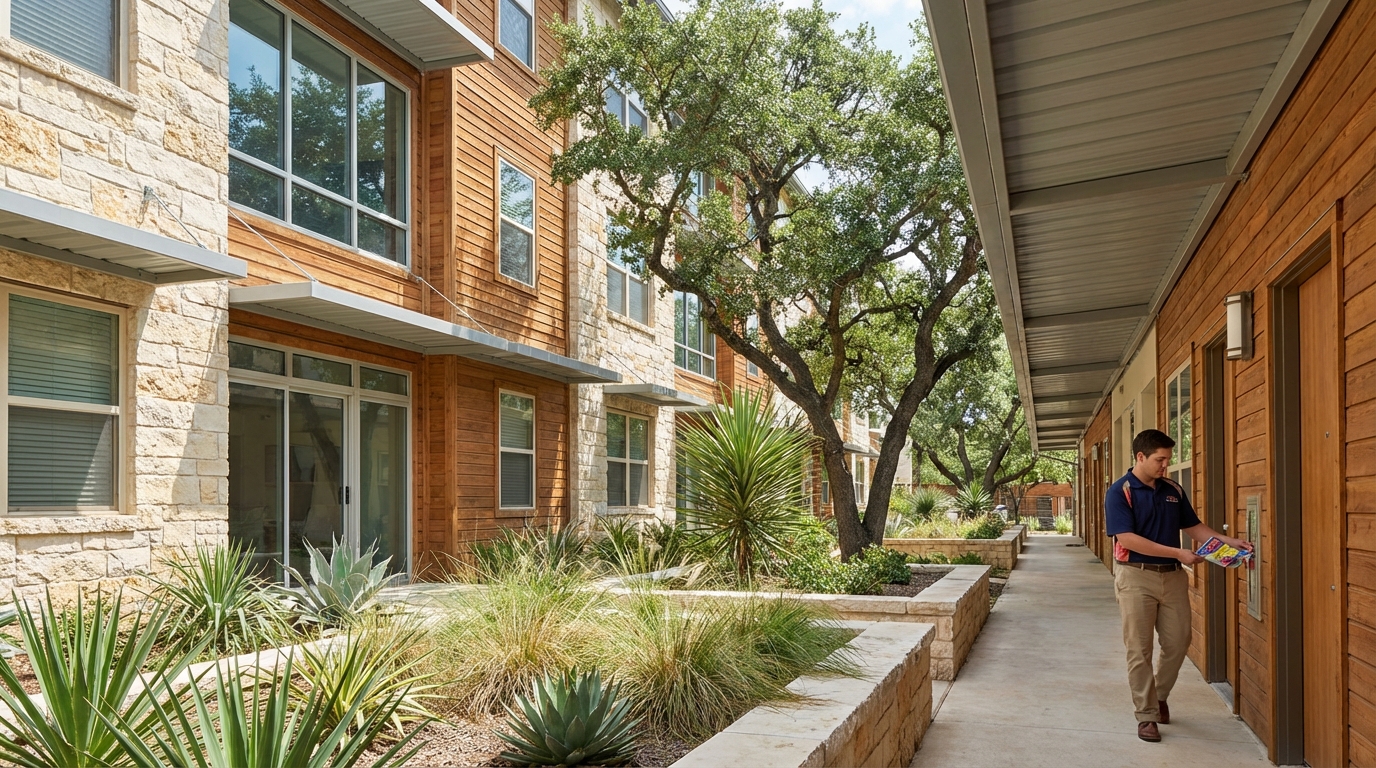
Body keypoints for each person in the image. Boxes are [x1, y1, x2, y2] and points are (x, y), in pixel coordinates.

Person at [1104, 428, 1252, 743]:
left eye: (1168, 460)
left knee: (1179, 641)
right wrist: (1178, 552)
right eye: (1160, 460)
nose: (1165, 466)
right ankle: (1146, 715)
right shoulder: (1120, 492)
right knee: (1139, 649)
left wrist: (1228, 541)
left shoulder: (1172, 489)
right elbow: (1126, 538)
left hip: (1172, 577)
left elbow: (1194, 526)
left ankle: (1159, 697)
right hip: (1135, 577)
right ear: (1140, 457)